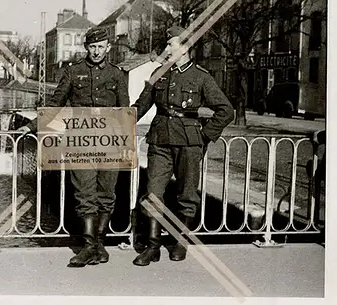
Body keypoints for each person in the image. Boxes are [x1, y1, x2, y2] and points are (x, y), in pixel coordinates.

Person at [19, 27, 130, 267]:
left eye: (101, 47)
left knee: (107, 195)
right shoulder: (73, 72)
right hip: (79, 140)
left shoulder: (118, 75)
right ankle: (89, 246)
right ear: (86, 48)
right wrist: (31, 126)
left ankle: (99, 245)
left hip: (109, 141)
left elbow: (124, 111)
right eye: (93, 47)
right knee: (84, 194)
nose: (97, 51)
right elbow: (55, 103)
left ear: (108, 48)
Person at [131, 26, 234, 266]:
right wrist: (114, 122)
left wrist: (204, 135)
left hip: (189, 143)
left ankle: (180, 242)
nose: (166, 49)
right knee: (153, 192)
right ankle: (153, 246)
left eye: (171, 45)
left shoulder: (201, 77)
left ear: (185, 48)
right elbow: (140, 106)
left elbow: (226, 110)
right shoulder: (159, 73)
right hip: (160, 141)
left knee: (186, 195)